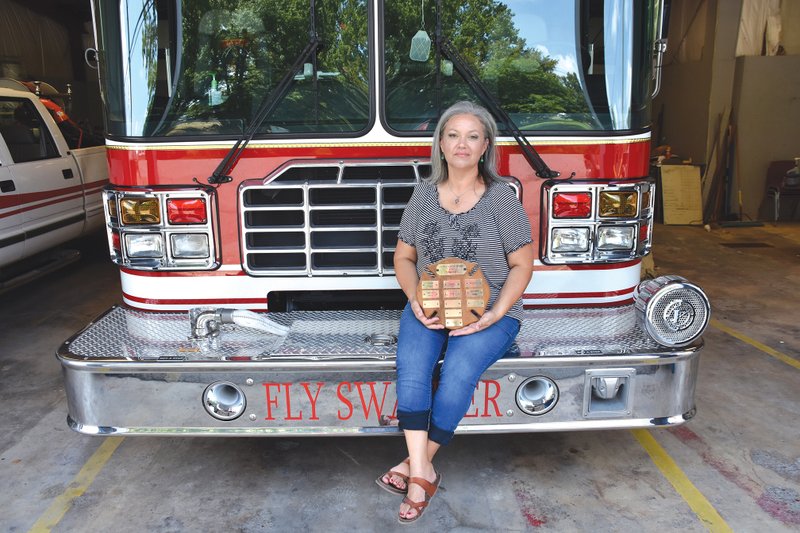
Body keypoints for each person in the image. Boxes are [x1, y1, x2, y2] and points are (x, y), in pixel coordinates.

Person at [376, 101, 534, 523]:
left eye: (472, 136)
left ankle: (415, 468)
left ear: (485, 147)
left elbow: (522, 265)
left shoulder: (503, 198)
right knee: (411, 370)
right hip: (429, 306)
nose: (461, 144)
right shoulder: (423, 194)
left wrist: (495, 314)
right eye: (453, 135)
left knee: (458, 373)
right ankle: (423, 471)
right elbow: (403, 258)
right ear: (441, 145)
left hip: (489, 312)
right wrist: (413, 299)